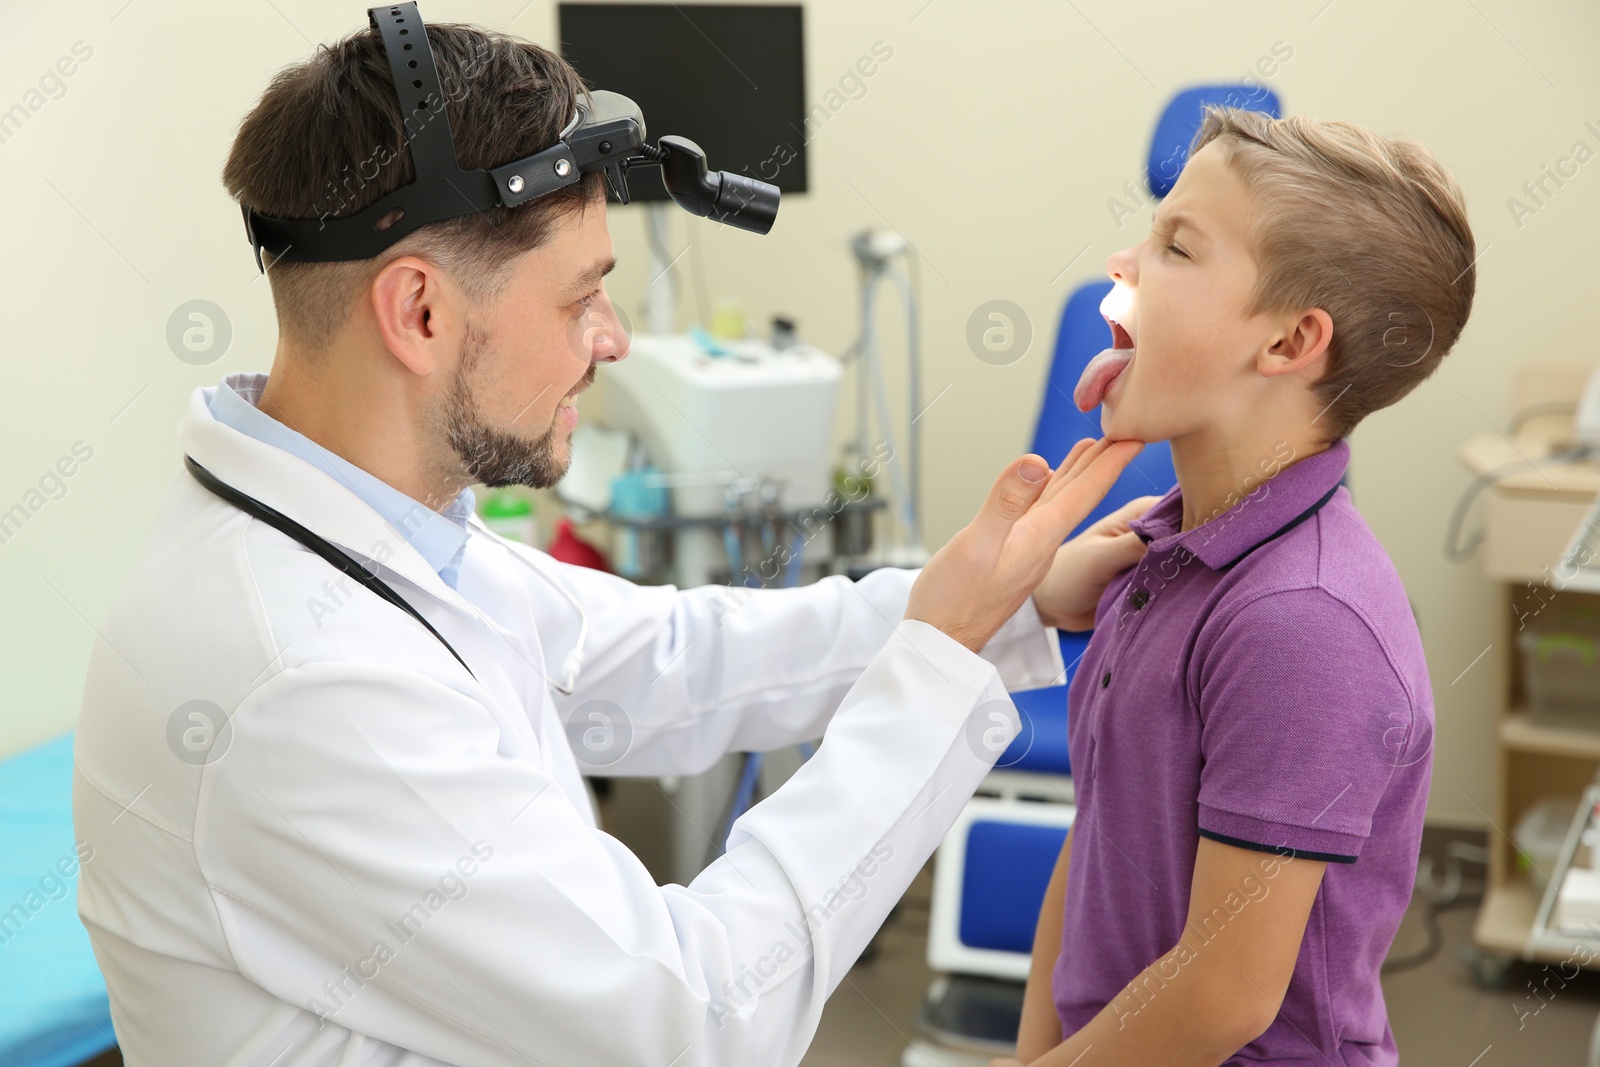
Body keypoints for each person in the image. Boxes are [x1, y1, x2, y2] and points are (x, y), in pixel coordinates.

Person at [71, 18, 1149, 1066]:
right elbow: (697, 1016)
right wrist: (935, 664)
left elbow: (671, 659)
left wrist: (999, 596)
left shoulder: (373, 529)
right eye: (582, 294)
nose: (614, 338)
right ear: (420, 313)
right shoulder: (297, 677)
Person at [1006, 107, 1476, 1066]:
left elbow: (1221, 997)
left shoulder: (1304, 621)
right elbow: (1096, 843)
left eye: (1176, 247)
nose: (1124, 264)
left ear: (1290, 342)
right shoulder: (1164, 555)